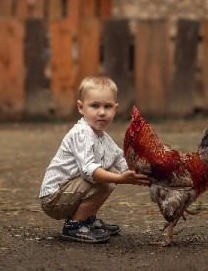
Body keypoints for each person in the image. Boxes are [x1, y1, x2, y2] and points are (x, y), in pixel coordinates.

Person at [39, 74, 150, 244]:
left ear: (116, 109)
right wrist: (121, 179)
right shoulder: (82, 133)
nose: (102, 112)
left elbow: (119, 159)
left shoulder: (103, 138)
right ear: (81, 107)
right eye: (94, 106)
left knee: (110, 174)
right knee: (106, 178)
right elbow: (89, 171)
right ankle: (75, 225)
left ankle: (87, 220)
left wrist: (136, 174)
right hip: (53, 198)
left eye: (108, 106)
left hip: (68, 192)